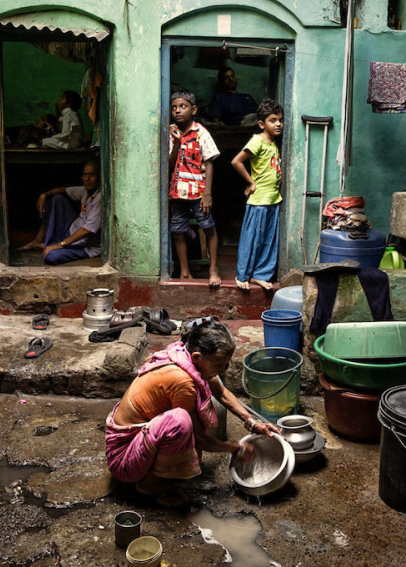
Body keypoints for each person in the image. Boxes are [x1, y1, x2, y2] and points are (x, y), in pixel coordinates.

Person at [105, 317, 280, 506]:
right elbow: (199, 439)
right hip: (124, 461)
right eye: (218, 365)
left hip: (138, 444)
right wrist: (236, 448)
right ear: (197, 357)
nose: (222, 371)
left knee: (184, 424)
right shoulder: (182, 381)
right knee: (180, 421)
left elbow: (220, 391)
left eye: (225, 365)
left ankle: (159, 470)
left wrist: (252, 423)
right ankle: (149, 484)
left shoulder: (185, 356)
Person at [168, 90, 223, 287]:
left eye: (182, 106)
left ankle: (213, 269)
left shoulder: (201, 132)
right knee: (177, 230)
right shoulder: (172, 133)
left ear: (194, 109)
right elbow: (171, 162)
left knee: (208, 227)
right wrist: (175, 141)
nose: (177, 111)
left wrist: (207, 194)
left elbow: (209, 163)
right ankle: (185, 272)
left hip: (199, 192)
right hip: (178, 192)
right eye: (174, 107)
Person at [230, 99, 284, 291]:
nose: (278, 124)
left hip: (273, 200)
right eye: (272, 120)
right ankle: (242, 275)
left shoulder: (274, 143)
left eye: (280, 120)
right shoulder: (257, 140)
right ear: (262, 124)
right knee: (252, 240)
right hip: (259, 200)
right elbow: (236, 161)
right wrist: (250, 182)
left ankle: (260, 275)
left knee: (269, 241)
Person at [18, 160, 101, 265]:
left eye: (92, 175)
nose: (87, 179)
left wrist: (61, 244)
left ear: (100, 177)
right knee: (57, 199)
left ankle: (51, 245)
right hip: (71, 230)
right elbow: (63, 189)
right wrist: (44, 195)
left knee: (50, 256)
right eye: (85, 174)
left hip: (84, 245)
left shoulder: (100, 198)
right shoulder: (85, 191)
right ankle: (41, 241)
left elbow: (86, 230)